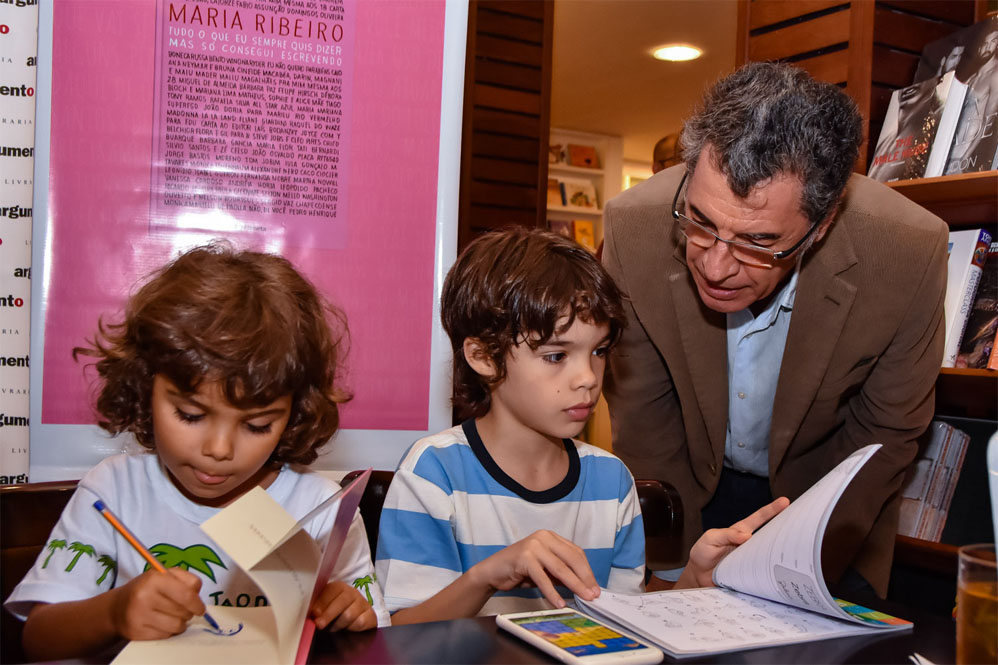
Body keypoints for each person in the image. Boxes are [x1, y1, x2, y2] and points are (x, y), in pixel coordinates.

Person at [601, 62, 948, 598]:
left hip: (827, 506)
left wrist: (790, 570)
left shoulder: (907, 252)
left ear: (823, 222)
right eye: (700, 222)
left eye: (758, 242)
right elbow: (645, 421)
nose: (715, 267)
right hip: (687, 489)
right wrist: (681, 582)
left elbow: (884, 435)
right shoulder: (634, 229)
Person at [375, 227, 788, 623]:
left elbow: (623, 623)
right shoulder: (434, 473)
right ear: (483, 356)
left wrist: (693, 579)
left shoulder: (611, 481)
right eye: (557, 356)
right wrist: (486, 576)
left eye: (599, 351)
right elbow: (402, 633)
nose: (589, 378)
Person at [4, 243, 389, 661]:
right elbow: (37, 640)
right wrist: (114, 612)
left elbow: (373, 637)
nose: (218, 450)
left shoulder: (323, 511)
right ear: (145, 387)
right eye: (190, 415)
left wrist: (351, 615)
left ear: (295, 413)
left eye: (258, 425)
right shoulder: (113, 490)